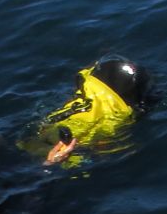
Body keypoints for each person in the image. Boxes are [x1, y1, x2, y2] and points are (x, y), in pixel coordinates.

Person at [26, 58, 156, 163]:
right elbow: (103, 153)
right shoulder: (113, 119)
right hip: (64, 158)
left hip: (32, 145)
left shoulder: (83, 96)